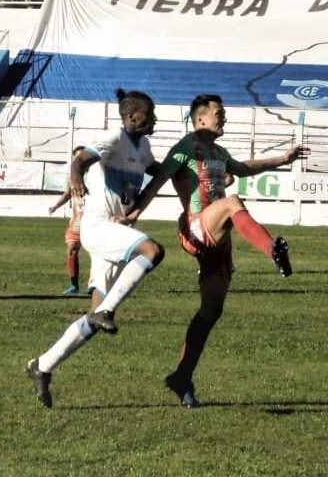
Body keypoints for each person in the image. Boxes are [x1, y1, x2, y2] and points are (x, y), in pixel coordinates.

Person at [127, 93, 309, 408]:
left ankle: (182, 377)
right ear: (200, 119)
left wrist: (283, 159)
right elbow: (158, 180)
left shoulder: (218, 151)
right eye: (218, 114)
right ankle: (271, 250)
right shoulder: (184, 148)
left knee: (211, 311)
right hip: (196, 228)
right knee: (232, 202)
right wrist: (135, 213)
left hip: (219, 239)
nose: (223, 118)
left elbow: (244, 168)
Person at [25, 89, 166, 408]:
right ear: (132, 117)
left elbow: (157, 173)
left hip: (115, 230)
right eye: (149, 114)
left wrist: (145, 201)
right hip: (98, 228)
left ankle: (42, 366)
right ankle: (108, 311)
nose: (153, 118)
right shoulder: (114, 137)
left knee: (92, 320)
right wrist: (75, 178)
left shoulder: (143, 147)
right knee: (152, 251)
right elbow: (80, 160)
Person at [48, 147, 86, 296]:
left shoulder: (98, 175)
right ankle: (74, 285)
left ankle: (95, 284)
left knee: (97, 252)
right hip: (78, 218)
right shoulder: (71, 177)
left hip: (95, 217)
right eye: (77, 158)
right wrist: (56, 206)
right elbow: (69, 193)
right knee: (71, 250)